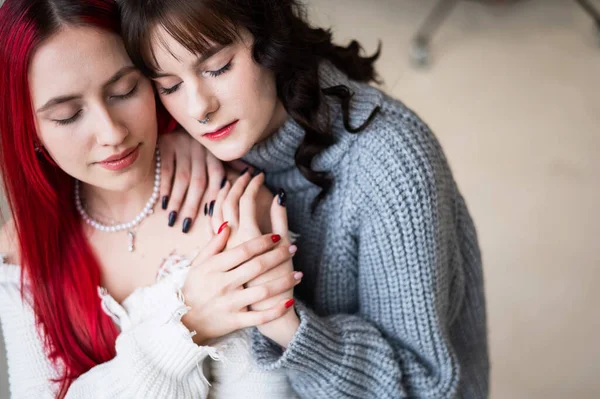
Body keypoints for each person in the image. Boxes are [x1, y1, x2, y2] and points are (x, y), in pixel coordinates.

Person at [118, 0, 490, 397]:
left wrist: (281, 319)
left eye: (219, 67)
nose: (199, 109)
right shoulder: (203, 143)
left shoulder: (390, 161)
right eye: (170, 86)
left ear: (270, 36)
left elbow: (424, 388)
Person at [0, 0, 304, 397]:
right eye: (69, 115)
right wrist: (184, 328)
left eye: (125, 90)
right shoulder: (23, 246)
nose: (111, 133)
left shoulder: (233, 210)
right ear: (30, 130)